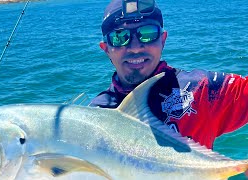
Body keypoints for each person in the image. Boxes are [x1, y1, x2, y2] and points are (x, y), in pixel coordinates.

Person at [89, 0, 248, 150]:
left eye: (148, 33)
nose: (135, 47)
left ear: (163, 40)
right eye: (120, 37)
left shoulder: (201, 90)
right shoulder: (96, 116)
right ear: (106, 48)